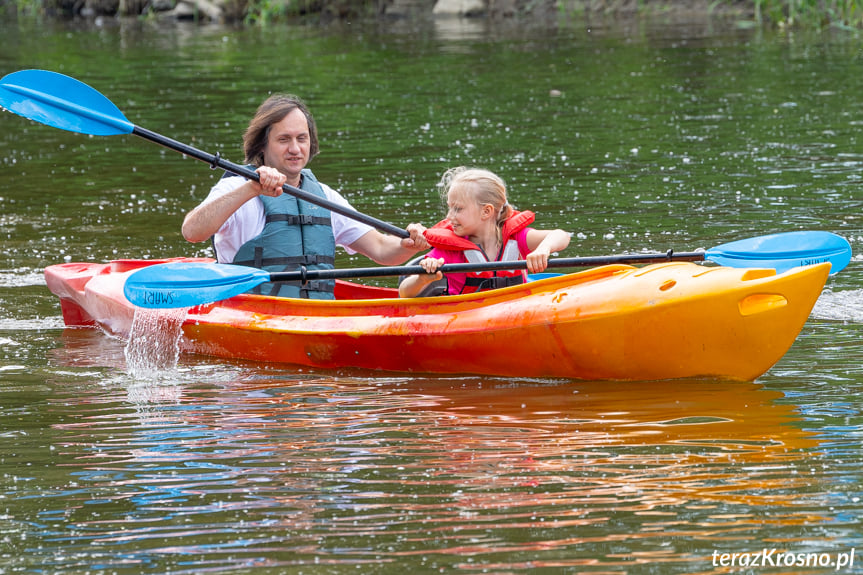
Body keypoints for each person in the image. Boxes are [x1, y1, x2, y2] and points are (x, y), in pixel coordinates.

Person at [182, 93, 429, 299]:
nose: (295, 149)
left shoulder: (324, 197)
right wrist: (252, 189)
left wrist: (406, 244)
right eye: (283, 139)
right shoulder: (237, 188)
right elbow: (192, 231)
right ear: (262, 146)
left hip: (315, 314)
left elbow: (382, 250)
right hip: (251, 311)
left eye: (302, 138)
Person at [399, 166, 571, 298]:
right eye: (450, 208)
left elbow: (561, 235)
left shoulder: (516, 238)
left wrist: (543, 249)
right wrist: (423, 278)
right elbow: (405, 292)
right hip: (465, 317)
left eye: (458, 209)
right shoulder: (447, 250)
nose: (449, 216)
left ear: (486, 212)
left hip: (516, 311)